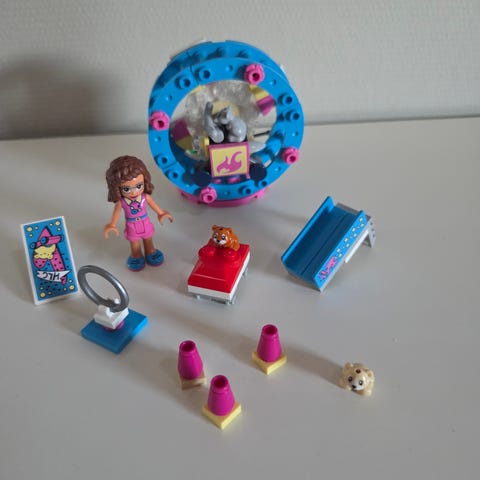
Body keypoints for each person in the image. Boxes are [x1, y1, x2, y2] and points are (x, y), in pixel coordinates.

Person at [104, 155, 173, 271]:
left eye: (138, 186)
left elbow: (153, 205)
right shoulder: (122, 202)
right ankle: (136, 255)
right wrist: (112, 224)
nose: (133, 192)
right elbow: (116, 212)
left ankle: (150, 252)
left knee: (148, 238)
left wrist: (161, 213)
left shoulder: (145, 197)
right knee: (134, 242)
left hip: (145, 221)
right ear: (117, 188)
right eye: (126, 189)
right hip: (131, 224)